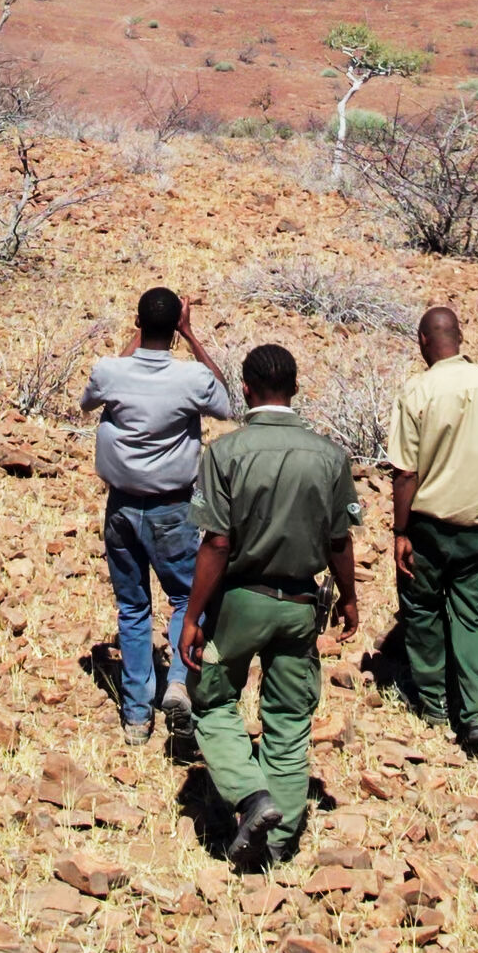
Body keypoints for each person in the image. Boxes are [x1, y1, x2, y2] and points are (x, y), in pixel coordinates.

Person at [178, 342, 361, 873]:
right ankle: (276, 844)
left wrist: (192, 615)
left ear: (248, 390)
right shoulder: (329, 455)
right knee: (287, 718)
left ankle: (248, 795)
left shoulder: (226, 453)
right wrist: (349, 598)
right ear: (296, 389)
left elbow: (215, 543)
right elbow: (339, 541)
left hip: (242, 600)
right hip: (301, 602)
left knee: (212, 702)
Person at [79, 285, 239, 743]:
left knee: (132, 607)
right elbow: (226, 402)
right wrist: (191, 335)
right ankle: (177, 684)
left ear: (137, 322)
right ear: (174, 329)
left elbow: (90, 400)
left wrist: (137, 340)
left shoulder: (111, 370)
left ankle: (135, 716)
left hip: (122, 508)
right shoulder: (189, 379)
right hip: (173, 508)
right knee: (188, 598)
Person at [385, 304, 478, 756]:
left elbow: (404, 472)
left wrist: (400, 532)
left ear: (423, 341)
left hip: (428, 524)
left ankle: (434, 702)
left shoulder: (418, 391)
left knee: (421, 611)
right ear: (460, 337)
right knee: (472, 616)